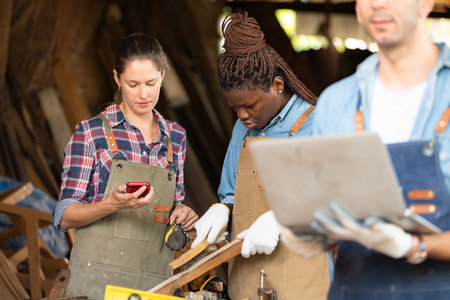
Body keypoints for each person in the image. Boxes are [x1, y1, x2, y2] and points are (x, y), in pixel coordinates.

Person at [281, 0, 450, 299]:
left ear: (425, 3)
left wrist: (415, 246)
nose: (378, 4)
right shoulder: (335, 103)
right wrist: (312, 234)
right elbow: (326, 211)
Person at [191, 12, 333, 300]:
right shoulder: (243, 129)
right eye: (234, 107)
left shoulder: (318, 125)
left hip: (304, 284)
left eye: (250, 105)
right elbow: (230, 192)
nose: (242, 115)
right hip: (246, 282)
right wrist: (223, 210)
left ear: (278, 85)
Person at [52, 34, 198, 299]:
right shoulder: (91, 133)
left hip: (155, 283)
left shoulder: (175, 137)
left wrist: (183, 214)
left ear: (162, 76)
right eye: (133, 84)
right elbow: (62, 215)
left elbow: (171, 206)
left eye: (151, 83)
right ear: (117, 79)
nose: (144, 94)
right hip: (95, 283)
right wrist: (111, 205)